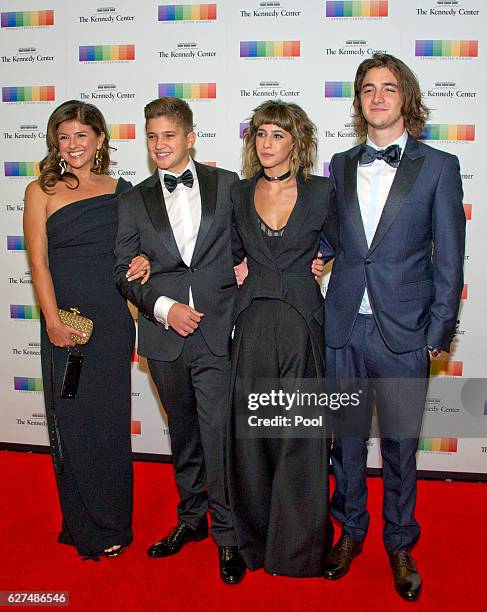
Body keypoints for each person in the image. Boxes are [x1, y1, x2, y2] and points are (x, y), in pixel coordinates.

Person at [321, 54, 465, 600]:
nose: (377, 97)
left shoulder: (439, 166)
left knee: (401, 446)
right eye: (367, 89)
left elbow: (449, 259)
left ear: (406, 97)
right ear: (358, 101)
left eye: (388, 88)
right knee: (346, 443)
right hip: (343, 327)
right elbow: (335, 238)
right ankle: (350, 531)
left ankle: (400, 541)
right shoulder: (340, 162)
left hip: (405, 332)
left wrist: (437, 336)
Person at [113, 97, 246, 584]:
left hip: (216, 330)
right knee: (185, 433)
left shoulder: (227, 183)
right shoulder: (133, 198)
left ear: (191, 138)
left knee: (217, 434)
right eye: (152, 136)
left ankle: (228, 537)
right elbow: (122, 270)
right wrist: (165, 308)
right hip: (164, 335)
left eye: (169, 135)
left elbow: (250, 241)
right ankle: (191, 520)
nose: (160, 144)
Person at [23, 100, 148, 560]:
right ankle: (83, 523)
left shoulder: (123, 189)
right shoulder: (41, 190)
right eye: (64, 137)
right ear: (55, 143)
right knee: (73, 421)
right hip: (67, 321)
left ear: (99, 139)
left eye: (82, 135)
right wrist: (52, 319)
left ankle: (114, 520)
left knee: (110, 420)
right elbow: (37, 263)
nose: (73, 145)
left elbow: (137, 249)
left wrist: (143, 260)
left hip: (113, 320)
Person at [227, 100, 338, 577]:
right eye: (260, 134)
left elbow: (343, 242)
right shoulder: (237, 193)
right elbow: (229, 252)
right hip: (252, 319)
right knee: (251, 435)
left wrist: (322, 259)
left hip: (301, 323)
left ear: (297, 140)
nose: (267, 143)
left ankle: (297, 550)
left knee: (299, 434)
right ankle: (252, 543)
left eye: (277, 134)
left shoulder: (323, 193)